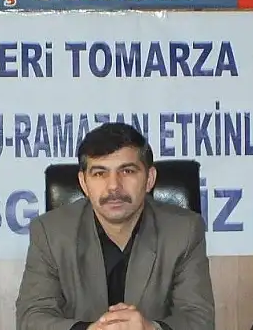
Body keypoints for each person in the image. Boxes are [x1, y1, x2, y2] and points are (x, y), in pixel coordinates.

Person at [16, 122, 215, 330]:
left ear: (149, 179)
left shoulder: (184, 231)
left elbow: (199, 319)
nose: (113, 186)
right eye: (99, 173)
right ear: (83, 183)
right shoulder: (50, 233)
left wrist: (151, 328)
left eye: (127, 171)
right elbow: (31, 318)